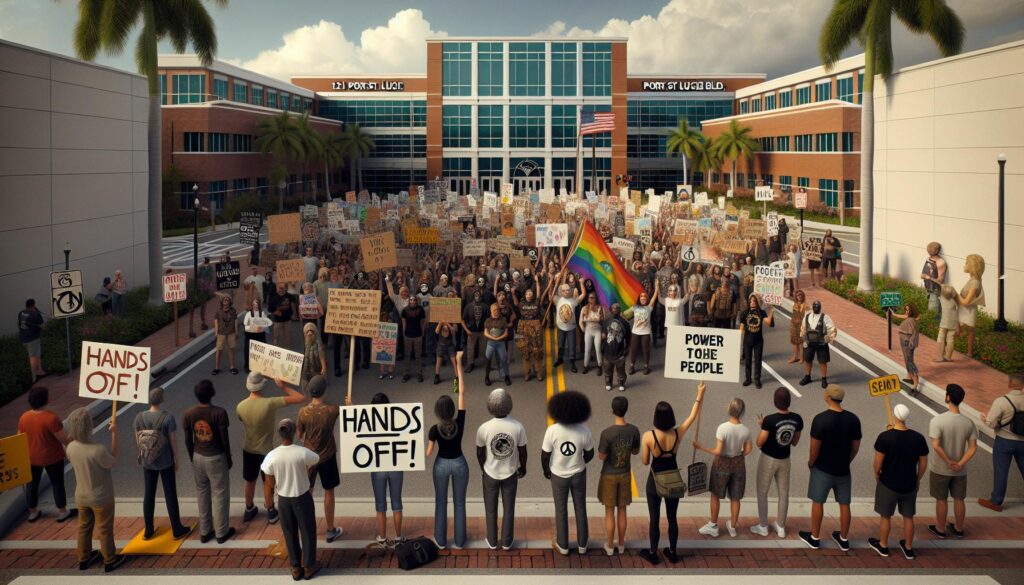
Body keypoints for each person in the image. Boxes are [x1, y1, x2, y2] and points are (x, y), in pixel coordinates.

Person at [639, 383, 706, 565]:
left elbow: (645, 461)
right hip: (673, 480)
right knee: (672, 518)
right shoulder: (678, 433)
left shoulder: (648, 436)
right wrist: (699, 395)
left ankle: (653, 553)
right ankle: (672, 552)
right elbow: (692, 416)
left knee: (654, 519)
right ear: (671, 417)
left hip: (655, 481)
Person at [237, 373, 306, 524]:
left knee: (249, 479)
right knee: (268, 481)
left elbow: (241, 420)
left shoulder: (240, 406)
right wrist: (283, 386)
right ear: (262, 385)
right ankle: (270, 509)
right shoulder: (269, 403)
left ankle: (249, 508)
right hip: (266, 450)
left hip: (248, 448)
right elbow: (300, 398)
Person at [799, 384, 861, 551]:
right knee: (844, 504)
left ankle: (815, 537)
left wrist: (811, 463)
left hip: (823, 468)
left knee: (818, 501)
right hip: (843, 470)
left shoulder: (821, 419)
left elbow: (814, 447)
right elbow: (855, 447)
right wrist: (847, 461)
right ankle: (844, 539)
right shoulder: (853, 419)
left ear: (827, 397)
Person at [65, 407, 126, 572]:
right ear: (88, 426)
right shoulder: (98, 450)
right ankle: (110, 560)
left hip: (81, 496)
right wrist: (114, 434)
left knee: (83, 528)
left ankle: (83, 558)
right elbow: (112, 460)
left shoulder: (70, 447)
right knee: (104, 529)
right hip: (101, 497)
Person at [262, 418, 321, 580]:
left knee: (289, 532)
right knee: (307, 531)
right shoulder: (302, 452)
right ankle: (309, 565)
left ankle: (295, 567)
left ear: (279, 434)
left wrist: (270, 499)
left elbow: (268, 480)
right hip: (302, 496)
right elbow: (316, 459)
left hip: (283, 499)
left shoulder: (272, 455)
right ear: (295, 432)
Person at [868, 404, 929, 560]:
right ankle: (908, 548)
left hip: (888, 483)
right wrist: (917, 479)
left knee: (886, 516)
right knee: (908, 516)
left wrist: (877, 475)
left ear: (895, 416)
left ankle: (883, 545)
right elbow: (923, 463)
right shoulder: (918, 438)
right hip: (909, 484)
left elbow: (878, 462)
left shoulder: (885, 437)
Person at [347, 392, 406, 546]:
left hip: (378, 467)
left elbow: (356, 430)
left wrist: (351, 409)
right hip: (395, 466)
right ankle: (398, 538)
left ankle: (382, 538)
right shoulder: (397, 420)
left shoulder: (370, 423)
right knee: (397, 503)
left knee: (380, 505)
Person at [133, 388, 191, 540]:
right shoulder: (167, 418)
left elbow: (138, 439)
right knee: (170, 493)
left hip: (147, 461)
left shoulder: (139, 417)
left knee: (149, 494)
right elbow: (172, 440)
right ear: (161, 399)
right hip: (165, 461)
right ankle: (177, 528)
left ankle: (148, 530)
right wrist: (177, 459)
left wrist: (143, 454)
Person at [183, 379, 235, 544]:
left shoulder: (189, 414)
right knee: (220, 493)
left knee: (202, 492)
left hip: (197, 455)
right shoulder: (219, 413)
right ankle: (221, 531)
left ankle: (205, 531)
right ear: (212, 394)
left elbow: (187, 439)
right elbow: (224, 438)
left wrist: (192, 456)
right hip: (216, 457)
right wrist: (228, 457)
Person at [542, 391, 595, 556]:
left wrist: (546, 470)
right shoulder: (584, 430)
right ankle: (583, 545)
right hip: (578, 473)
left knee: (561, 509)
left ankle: (563, 545)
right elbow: (590, 454)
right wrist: (579, 461)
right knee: (580, 507)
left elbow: (545, 454)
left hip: (558, 474)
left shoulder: (552, 430)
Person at [476, 387, 528, 550]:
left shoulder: (483, 428)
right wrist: (523, 467)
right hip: (510, 473)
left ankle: (492, 540)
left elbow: (480, 452)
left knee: (490, 509)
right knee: (509, 509)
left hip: (490, 473)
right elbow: (522, 451)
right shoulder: (518, 427)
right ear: (509, 405)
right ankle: (507, 541)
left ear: (489, 406)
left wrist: (484, 468)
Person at [427, 352, 469, 549]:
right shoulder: (459, 421)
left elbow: (429, 453)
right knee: (460, 503)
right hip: (460, 463)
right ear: (452, 410)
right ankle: (460, 541)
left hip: (441, 465)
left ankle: (441, 540)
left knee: (441, 502)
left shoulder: (434, 430)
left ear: (437, 411)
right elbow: (461, 392)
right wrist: (458, 363)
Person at [695, 398, 752, 538]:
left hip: (722, 463)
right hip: (738, 464)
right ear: (742, 412)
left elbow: (718, 451)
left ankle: (713, 525)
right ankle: (732, 526)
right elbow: (748, 449)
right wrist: (739, 454)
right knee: (735, 497)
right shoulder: (746, 430)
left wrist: (701, 447)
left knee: (715, 494)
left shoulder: (723, 428)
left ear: (729, 409)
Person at [296, 375, 343, 543]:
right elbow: (348, 413)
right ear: (324, 390)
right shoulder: (332, 410)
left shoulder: (303, 412)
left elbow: (299, 434)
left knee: (307, 492)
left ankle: (307, 529)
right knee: (329, 491)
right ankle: (330, 529)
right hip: (327, 456)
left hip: (309, 457)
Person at [751, 388, 802, 538]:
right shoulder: (797, 419)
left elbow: (759, 442)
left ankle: (763, 526)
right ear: (789, 401)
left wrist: (763, 426)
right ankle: (781, 527)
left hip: (768, 458)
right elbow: (795, 442)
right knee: (784, 493)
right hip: (785, 459)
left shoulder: (769, 420)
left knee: (762, 491)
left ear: (775, 402)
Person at [928, 384, 977, 538]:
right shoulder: (969, 423)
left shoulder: (937, 420)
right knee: (959, 499)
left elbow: (936, 445)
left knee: (941, 499)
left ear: (948, 397)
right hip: (960, 470)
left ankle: (940, 529)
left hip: (940, 468)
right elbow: (972, 447)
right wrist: (960, 463)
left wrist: (949, 461)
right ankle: (959, 528)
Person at [18, 387, 73, 523]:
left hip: (32, 457)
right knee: (57, 483)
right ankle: (62, 511)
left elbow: (19, 437)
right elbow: (63, 438)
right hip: (52, 457)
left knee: (32, 484)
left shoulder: (24, 417)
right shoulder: (51, 418)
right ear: (46, 399)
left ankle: (33, 512)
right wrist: (72, 441)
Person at [597, 396, 640, 556]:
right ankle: (621, 544)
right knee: (622, 510)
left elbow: (601, 456)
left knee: (609, 511)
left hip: (609, 474)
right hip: (625, 474)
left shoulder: (607, 433)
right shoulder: (633, 430)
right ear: (626, 410)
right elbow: (635, 451)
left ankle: (609, 545)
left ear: (612, 411)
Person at [978, 374, 1024, 513]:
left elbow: (991, 423)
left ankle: (996, 501)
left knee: (1001, 471)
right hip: (1023, 442)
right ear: (1023, 386)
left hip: (1004, 441)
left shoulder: (1001, 401)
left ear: (1009, 384)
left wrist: (984, 419)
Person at [739, 294, 774, 389]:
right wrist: (738, 337)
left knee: (758, 361)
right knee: (748, 361)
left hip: (758, 341)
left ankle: (757, 379)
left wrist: (771, 312)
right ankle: (748, 379)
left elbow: (768, 322)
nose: (752, 303)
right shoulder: (745, 313)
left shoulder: (761, 312)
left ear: (757, 302)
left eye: (754, 301)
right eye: (751, 301)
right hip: (747, 341)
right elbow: (741, 327)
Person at [799, 300, 837, 388]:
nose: (816, 308)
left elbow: (832, 329)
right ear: (813, 307)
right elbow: (803, 327)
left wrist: (829, 338)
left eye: (817, 306)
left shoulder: (825, 317)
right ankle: (807, 376)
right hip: (809, 342)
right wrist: (803, 337)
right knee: (808, 360)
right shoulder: (807, 316)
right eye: (814, 306)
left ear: (820, 307)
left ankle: (824, 379)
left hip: (821, 343)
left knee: (822, 361)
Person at [552, 277, 586, 373]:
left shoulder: (573, 300)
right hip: (560, 328)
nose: (567, 291)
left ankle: (572, 363)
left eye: (568, 290)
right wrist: (554, 283)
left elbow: (583, 294)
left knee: (572, 347)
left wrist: (581, 283)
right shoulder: (557, 299)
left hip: (571, 328)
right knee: (560, 345)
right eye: (564, 290)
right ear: (561, 291)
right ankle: (560, 359)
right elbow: (551, 295)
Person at [956, 254, 986, 359]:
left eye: (966, 263)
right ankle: (960, 348)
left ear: (973, 266)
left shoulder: (974, 282)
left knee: (969, 330)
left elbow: (966, 302)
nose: (964, 265)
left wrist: (955, 295)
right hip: (964, 309)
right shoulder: (973, 280)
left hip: (968, 310)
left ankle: (968, 352)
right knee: (965, 329)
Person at [515, 287, 545, 382]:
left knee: (538, 350)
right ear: (525, 295)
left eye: (531, 293)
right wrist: (513, 293)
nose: (529, 295)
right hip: (523, 327)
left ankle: (538, 372)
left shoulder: (536, 303)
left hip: (536, 327)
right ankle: (527, 373)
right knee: (525, 351)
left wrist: (537, 283)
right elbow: (515, 303)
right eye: (527, 293)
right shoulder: (521, 304)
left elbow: (539, 295)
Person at [628, 285, 659, 376]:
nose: (643, 298)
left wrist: (657, 287)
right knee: (633, 349)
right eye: (641, 296)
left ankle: (646, 366)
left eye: (645, 296)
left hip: (645, 332)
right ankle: (632, 366)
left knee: (646, 350)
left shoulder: (649, 307)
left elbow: (654, 296)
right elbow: (625, 314)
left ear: (647, 298)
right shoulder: (635, 307)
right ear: (639, 298)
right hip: (635, 332)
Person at [890, 304, 921, 393]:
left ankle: (915, 383)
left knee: (909, 362)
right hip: (904, 342)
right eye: (905, 309)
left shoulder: (911, 321)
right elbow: (904, 316)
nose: (906, 312)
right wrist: (894, 314)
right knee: (907, 360)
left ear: (912, 311)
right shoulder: (910, 318)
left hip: (907, 343)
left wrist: (911, 343)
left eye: (908, 310)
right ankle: (909, 377)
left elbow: (915, 333)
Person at [601, 303, 631, 392]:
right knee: (607, 369)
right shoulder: (606, 321)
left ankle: (621, 383)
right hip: (608, 350)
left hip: (620, 351)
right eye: (613, 308)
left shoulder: (624, 323)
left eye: (617, 308)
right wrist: (602, 347)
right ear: (611, 309)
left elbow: (628, 338)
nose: (615, 309)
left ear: (620, 310)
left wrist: (627, 349)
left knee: (621, 369)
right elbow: (603, 335)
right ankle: (608, 382)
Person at [18, 299, 46, 384]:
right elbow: (43, 326)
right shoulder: (36, 314)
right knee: (33, 357)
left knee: (37, 353)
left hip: (23, 338)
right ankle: (34, 378)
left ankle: (40, 370)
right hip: (32, 339)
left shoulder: (21, 313)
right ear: (34, 305)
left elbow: (19, 324)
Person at [400, 294, 426, 383]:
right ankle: (406, 373)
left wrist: (422, 332)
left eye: (414, 300)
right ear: (409, 301)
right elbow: (403, 323)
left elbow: (423, 322)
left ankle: (419, 373)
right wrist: (404, 334)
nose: (412, 301)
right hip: (408, 335)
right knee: (407, 355)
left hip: (418, 335)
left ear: (416, 301)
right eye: (411, 300)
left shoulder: (420, 309)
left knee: (418, 355)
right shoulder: (405, 310)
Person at [483, 303, 510, 386]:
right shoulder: (488, 320)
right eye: (494, 310)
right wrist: (493, 338)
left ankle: (507, 376)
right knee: (488, 360)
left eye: (497, 310)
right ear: (491, 311)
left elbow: (506, 333)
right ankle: (487, 377)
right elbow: (485, 333)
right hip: (490, 343)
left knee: (504, 359)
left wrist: (498, 338)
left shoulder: (503, 320)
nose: (496, 311)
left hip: (500, 343)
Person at [461, 290, 488, 372]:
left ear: (481, 296)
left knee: (485, 347)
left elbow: (488, 319)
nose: (477, 296)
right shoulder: (468, 306)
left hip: (482, 330)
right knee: (470, 349)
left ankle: (488, 363)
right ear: (473, 296)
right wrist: (467, 330)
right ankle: (470, 364)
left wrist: (487, 329)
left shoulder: (485, 306)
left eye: (478, 294)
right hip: (472, 331)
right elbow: (462, 320)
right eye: (475, 294)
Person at [212, 296, 239, 376]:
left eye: (227, 299)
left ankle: (232, 367)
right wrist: (216, 333)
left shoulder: (233, 311)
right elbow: (216, 322)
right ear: (222, 302)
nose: (226, 301)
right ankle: (217, 368)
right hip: (221, 333)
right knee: (219, 350)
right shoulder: (218, 312)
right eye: (224, 299)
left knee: (231, 350)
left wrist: (236, 331)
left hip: (231, 333)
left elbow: (235, 321)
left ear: (230, 302)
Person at [579, 293, 605, 374]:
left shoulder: (600, 308)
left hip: (597, 331)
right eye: (590, 298)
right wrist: (584, 330)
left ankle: (599, 366)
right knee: (587, 349)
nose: (591, 299)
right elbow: (580, 321)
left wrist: (603, 332)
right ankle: (586, 366)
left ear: (596, 299)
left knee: (598, 349)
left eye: (593, 298)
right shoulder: (584, 308)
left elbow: (603, 322)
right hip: (588, 331)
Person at [242, 299, 271, 372]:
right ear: (252, 305)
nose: (256, 306)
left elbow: (267, 325)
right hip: (250, 335)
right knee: (248, 351)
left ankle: (261, 366)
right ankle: (248, 366)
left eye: (257, 305)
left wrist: (262, 327)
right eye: (254, 305)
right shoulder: (248, 314)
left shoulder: (262, 314)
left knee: (261, 351)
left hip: (260, 335)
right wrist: (251, 327)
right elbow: (245, 324)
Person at [300, 323, 327, 396]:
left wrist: (324, 367)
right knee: (305, 387)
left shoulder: (318, 343)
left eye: (311, 331)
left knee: (316, 387)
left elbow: (321, 355)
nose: (309, 334)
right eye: (307, 332)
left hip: (315, 369)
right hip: (306, 370)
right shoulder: (305, 342)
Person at [935, 285, 960, 362]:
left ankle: (940, 357)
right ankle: (948, 357)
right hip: (953, 322)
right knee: (950, 340)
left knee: (940, 339)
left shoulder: (942, 298)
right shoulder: (955, 302)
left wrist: (931, 279)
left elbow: (940, 285)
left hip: (944, 322)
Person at [921, 242, 947, 315]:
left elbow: (940, 281)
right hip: (927, 289)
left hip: (935, 291)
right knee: (929, 311)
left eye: (931, 249)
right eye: (928, 249)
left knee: (933, 313)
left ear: (937, 250)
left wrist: (928, 277)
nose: (929, 250)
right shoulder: (928, 259)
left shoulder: (940, 262)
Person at [267, 283, 293, 347]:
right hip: (277, 320)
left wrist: (293, 314)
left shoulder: (290, 296)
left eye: (282, 288)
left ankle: (287, 350)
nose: (280, 289)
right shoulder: (273, 297)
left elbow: (292, 305)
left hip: (287, 319)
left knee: (288, 337)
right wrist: (275, 311)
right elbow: (269, 309)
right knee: (277, 336)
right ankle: (276, 349)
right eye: (279, 288)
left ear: (286, 289)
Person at [433, 321, 458, 385]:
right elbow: (436, 331)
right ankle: (437, 376)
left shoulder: (453, 323)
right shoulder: (440, 323)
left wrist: (448, 324)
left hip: (450, 346)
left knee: (454, 361)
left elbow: (453, 331)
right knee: (438, 361)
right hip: (441, 345)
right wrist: (441, 323)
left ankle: (457, 376)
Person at [789, 290, 807, 364]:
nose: (799, 296)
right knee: (794, 342)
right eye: (797, 295)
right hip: (793, 326)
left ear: (803, 296)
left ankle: (802, 358)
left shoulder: (805, 305)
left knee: (800, 343)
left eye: (800, 295)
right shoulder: (795, 304)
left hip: (801, 326)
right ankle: (795, 357)